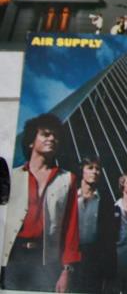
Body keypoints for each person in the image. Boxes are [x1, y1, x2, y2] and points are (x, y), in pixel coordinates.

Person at [1, 113, 80, 292]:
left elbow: (71, 227)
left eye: (55, 136)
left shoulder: (68, 179)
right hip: (12, 257)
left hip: (46, 261)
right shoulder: (12, 176)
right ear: (31, 142)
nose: (51, 138)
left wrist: (67, 270)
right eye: (45, 134)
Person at [72, 156, 115, 293]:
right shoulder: (71, 197)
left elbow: (109, 237)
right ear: (82, 171)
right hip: (72, 256)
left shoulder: (105, 201)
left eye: (97, 169)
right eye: (90, 168)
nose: (95, 172)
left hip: (95, 258)